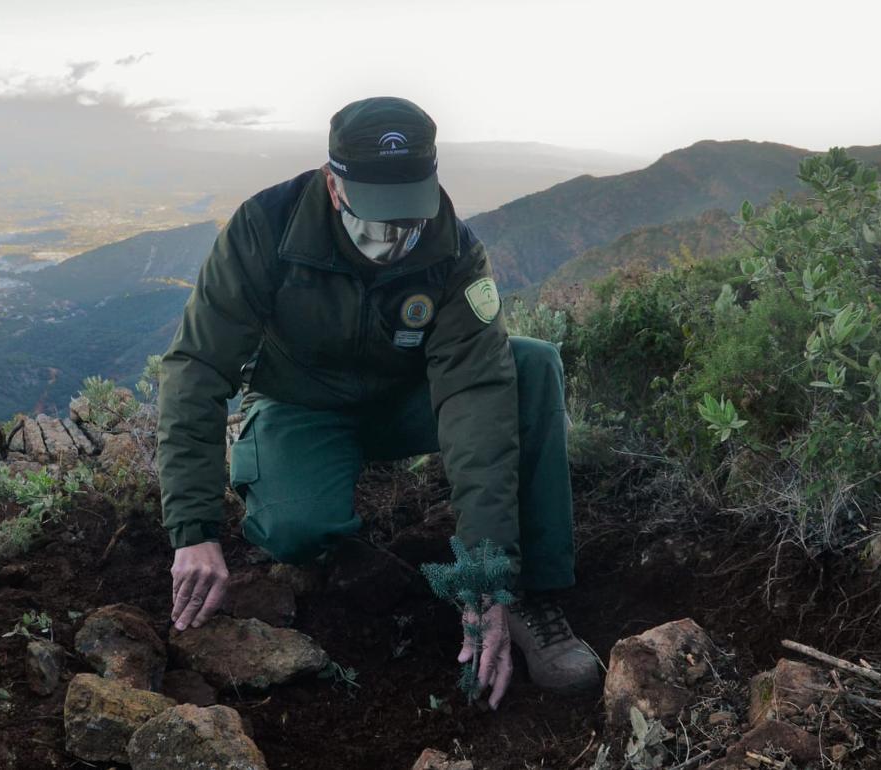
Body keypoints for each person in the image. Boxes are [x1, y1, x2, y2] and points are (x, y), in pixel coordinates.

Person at [155, 96, 598, 708]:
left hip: (407, 398)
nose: (394, 239)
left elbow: (476, 404)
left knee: (529, 365)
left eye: (407, 218)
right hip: (300, 405)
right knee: (295, 527)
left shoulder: (452, 251)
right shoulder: (265, 228)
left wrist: (486, 578)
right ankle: (303, 491)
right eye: (377, 218)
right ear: (334, 187)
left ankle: (531, 593)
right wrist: (193, 529)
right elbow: (197, 368)